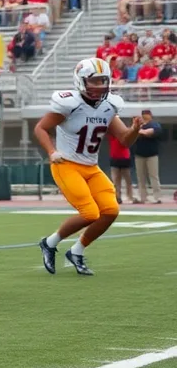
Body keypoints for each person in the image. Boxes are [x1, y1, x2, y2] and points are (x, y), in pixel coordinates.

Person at [33, 59, 142, 276]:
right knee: (90, 213)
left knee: (111, 211)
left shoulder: (109, 106)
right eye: (94, 81)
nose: (100, 86)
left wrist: (135, 129)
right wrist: (51, 152)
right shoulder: (68, 103)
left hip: (91, 167)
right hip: (66, 165)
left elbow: (124, 140)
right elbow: (40, 128)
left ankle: (77, 250)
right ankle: (50, 242)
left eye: (103, 80)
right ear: (81, 81)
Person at [132, 108, 163, 204]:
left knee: (153, 176)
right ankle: (143, 197)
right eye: (143, 114)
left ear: (150, 115)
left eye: (147, 114)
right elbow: (130, 133)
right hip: (139, 154)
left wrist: (138, 130)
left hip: (152, 155)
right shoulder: (139, 126)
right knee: (141, 178)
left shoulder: (154, 124)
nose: (145, 115)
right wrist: (136, 127)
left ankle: (157, 197)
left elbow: (150, 132)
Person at [108, 134, 136, 204]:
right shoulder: (112, 135)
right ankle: (117, 196)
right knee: (115, 180)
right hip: (115, 158)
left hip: (124, 158)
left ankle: (130, 196)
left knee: (127, 179)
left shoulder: (125, 136)